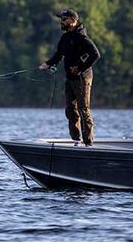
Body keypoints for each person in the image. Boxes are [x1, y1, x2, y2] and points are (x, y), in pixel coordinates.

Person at [39, 9, 101, 146]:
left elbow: (95, 54)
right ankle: (76, 140)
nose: (62, 22)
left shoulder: (81, 37)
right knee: (70, 110)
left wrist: (79, 68)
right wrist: (47, 64)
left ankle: (89, 143)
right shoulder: (65, 38)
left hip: (83, 78)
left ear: (73, 21)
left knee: (83, 109)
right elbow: (59, 55)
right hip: (70, 79)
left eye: (65, 19)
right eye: (61, 19)